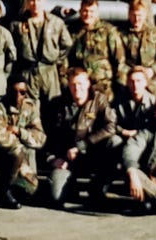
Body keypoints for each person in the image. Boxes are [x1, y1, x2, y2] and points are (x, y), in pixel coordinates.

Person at [45, 68, 118, 209]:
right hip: (67, 159)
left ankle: (97, 188)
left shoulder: (99, 100)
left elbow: (111, 127)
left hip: (92, 155)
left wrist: (83, 145)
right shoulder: (58, 104)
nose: (76, 88)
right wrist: (53, 158)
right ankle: (71, 186)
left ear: (88, 83)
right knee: (56, 197)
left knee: (115, 142)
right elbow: (48, 135)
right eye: (73, 84)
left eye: (80, 83)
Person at [0, 78, 46, 209]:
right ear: (7, 91)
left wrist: (20, 132)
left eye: (22, 92)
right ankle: (3, 190)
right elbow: (2, 139)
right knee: (17, 153)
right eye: (14, 92)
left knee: (31, 189)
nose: (18, 96)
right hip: (0, 155)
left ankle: (3, 187)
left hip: (20, 156)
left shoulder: (30, 107)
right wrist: (23, 140)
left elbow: (40, 138)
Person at [11, 0, 73, 104]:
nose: (35, 4)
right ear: (28, 1)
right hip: (28, 71)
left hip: (49, 71)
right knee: (28, 106)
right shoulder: (17, 24)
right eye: (32, 0)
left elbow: (67, 44)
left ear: (44, 0)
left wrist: (56, 59)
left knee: (52, 106)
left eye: (39, 0)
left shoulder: (56, 22)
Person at [67, 0, 125, 94]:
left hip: (103, 85)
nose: (88, 14)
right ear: (80, 11)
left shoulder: (108, 31)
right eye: (85, 11)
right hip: (79, 86)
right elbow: (65, 57)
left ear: (97, 13)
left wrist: (119, 85)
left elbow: (119, 60)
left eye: (91, 11)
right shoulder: (73, 31)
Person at [119, 0, 156, 96]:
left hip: (153, 81)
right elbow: (119, 60)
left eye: (140, 15)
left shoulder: (155, 33)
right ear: (129, 15)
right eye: (134, 15)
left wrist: (152, 70)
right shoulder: (121, 34)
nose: (137, 19)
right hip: (130, 80)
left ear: (145, 15)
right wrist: (132, 72)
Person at [110, 66, 156, 153]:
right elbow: (109, 121)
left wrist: (139, 133)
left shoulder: (153, 102)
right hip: (124, 136)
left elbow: (155, 126)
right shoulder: (119, 100)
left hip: (144, 137)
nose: (135, 85)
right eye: (132, 81)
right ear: (127, 83)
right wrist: (123, 131)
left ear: (145, 82)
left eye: (139, 81)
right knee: (113, 140)